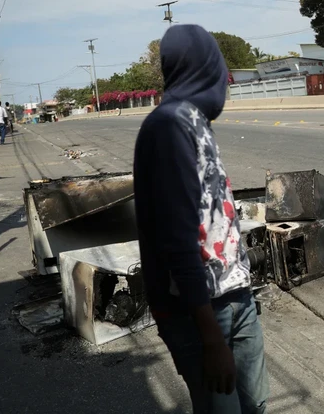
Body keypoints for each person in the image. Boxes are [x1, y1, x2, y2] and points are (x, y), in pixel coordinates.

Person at [133, 24, 270, 414]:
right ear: (206, 69)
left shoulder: (196, 122)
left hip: (237, 297)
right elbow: (176, 241)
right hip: (200, 314)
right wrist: (210, 338)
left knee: (255, 405)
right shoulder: (169, 126)